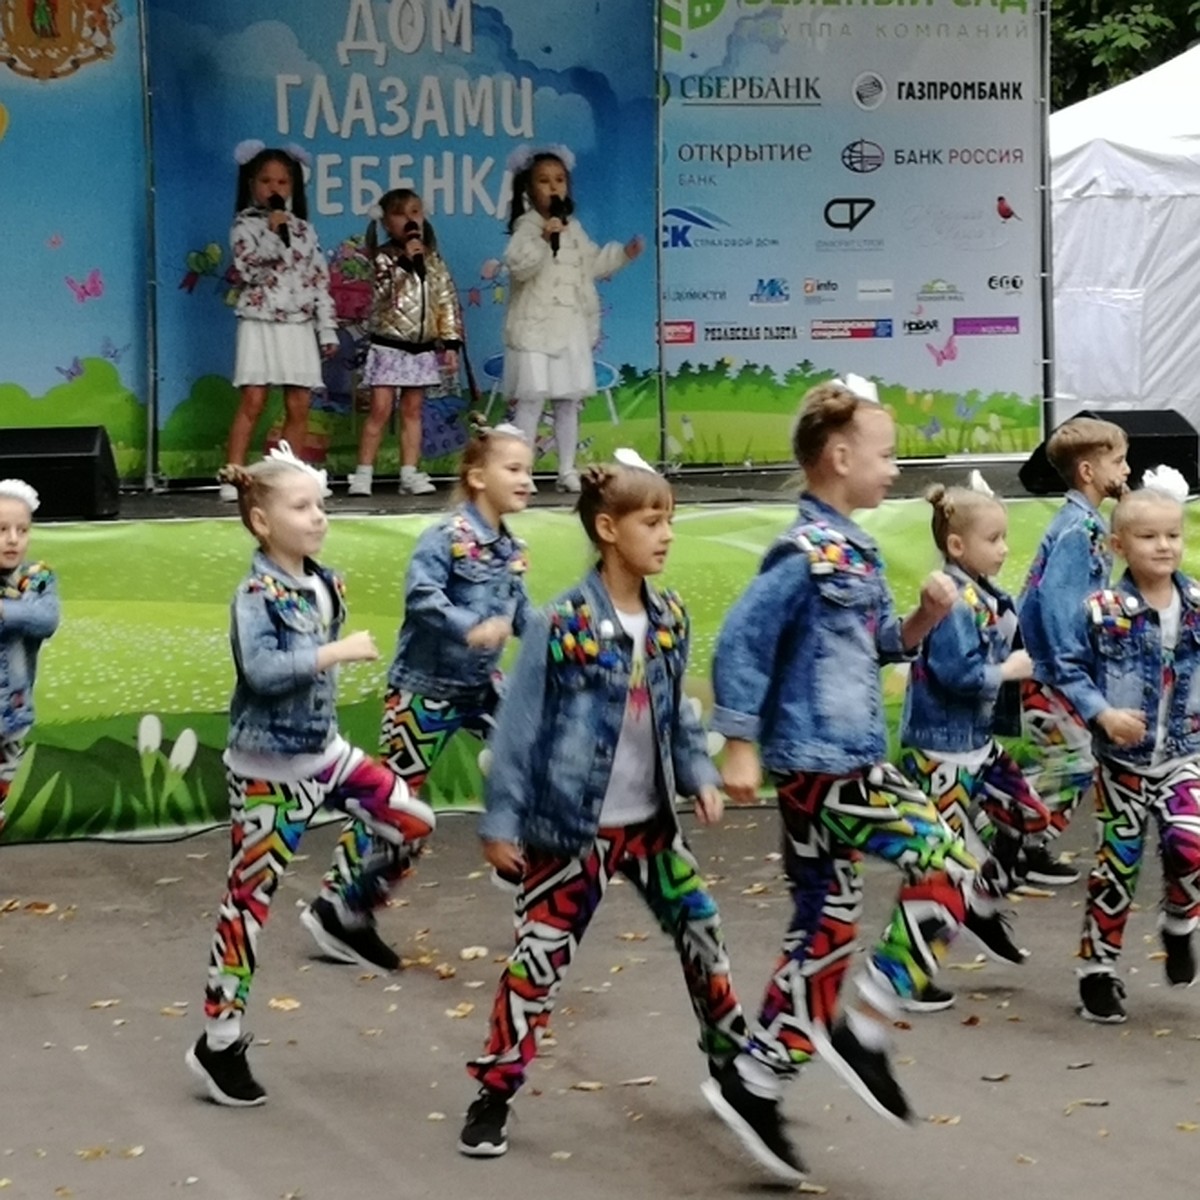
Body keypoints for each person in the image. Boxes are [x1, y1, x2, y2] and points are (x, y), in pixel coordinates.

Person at [457, 454, 806, 1184]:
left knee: (701, 926)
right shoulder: (561, 622)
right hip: (570, 830)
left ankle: (731, 1066)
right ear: (608, 529)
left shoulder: (670, 617)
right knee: (539, 961)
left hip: (649, 828)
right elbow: (518, 729)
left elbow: (677, 711)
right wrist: (501, 823)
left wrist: (701, 773)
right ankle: (493, 1091)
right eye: (653, 521)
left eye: (670, 519)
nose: (667, 533)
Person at [710, 377, 978, 1130]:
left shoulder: (851, 549)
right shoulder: (804, 551)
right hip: (828, 765)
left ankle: (756, 1082)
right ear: (838, 457)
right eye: (885, 455)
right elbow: (743, 642)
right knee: (949, 865)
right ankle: (866, 1025)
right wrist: (738, 744)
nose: (895, 469)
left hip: (834, 760)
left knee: (824, 922)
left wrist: (922, 619)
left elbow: (878, 644)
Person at [186, 445, 436, 1106]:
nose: (319, 517)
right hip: (267, 770)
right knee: (249, 905)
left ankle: (345, 909)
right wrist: (335, 651)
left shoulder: (324, 580)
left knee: (413, 821)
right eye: (302, 507)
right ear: (262, 522)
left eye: (321, 505)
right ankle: (219, 1042)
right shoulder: (255, 593)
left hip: (325, 754)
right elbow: (262, 673)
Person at [304, 422, 535, 971]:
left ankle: (519, 867)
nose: (526, 480)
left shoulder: (511, 548)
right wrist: (468, 626)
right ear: (477, 478)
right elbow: (422, 598)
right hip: (424, 693)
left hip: (481, 688)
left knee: (538, 757)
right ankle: (343, 906)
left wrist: (568, 634)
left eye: (528, 469)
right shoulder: (446, 537)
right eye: (514, 469)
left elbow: (520, 610)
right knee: (397, 809)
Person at [894, 474, 1051, 1011]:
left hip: (979, 746)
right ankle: (907, 976)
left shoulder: (988, 594)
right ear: (957, 545)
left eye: (1006, 537)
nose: (1005, 549)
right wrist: (1006, 670)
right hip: (941, 752)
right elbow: (957, 674)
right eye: (994, 539)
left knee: (1030, 817)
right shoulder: (953, 601)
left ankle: (982, 903)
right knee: (937, 867)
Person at [1056, 468, 1200, 1023]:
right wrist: (1102, 713)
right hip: (1123, 765)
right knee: (1116, 865)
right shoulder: (1102, 610)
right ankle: (1097, 970)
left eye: (1173, 535)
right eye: (1148, 537)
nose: (1163, 546)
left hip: (1185, 754)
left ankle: (1181, 922)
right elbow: (1069, 670)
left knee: (1190, 846)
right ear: (1119, 545)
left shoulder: (1195, 602)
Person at [1017, 416, 1130, 882]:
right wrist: (1071, 671)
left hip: (1057, 670)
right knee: (1073, 760)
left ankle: (1021, 841)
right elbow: (1058, 608)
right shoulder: (1077, 531)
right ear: (1087, 471)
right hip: (1053, 672)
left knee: (1067, 758)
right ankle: (1015, 843)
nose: (1126, 470)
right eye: (1119, 461)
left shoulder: (1086, 524)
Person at [502, 144, 643, 494]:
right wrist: (543, 237)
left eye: (560, 180)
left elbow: (592, 264)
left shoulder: (574, 229)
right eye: (544, 181)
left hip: (569, 328)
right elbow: (520, 267)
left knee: (567, 401)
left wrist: (622, 255)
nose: (553, 187)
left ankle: (566, 469)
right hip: (536, 327)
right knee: (532, 399)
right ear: (528, 189)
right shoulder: (527, 228)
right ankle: (523, 471)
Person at [220, 141, 338, 500]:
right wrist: (273, 233)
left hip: (298, 323)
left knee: (299, 404)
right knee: (254, 400)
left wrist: (327, 327)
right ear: (252, 184)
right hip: (260, 319)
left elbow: (319, 280)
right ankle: (233, 475)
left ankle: (287, 477)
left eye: (283, 182)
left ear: (294, 187)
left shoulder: (305, 230)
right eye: (267, 181)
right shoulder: (244, 227)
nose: (274, 189)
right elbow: (249, 270)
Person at [347, 190, 464, 497]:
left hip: (421, 349)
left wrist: (450, 342)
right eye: (400, 213)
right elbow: (381, 296)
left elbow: (446, 301)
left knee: (413, 411)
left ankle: (409, 473)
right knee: (380, 409)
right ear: (386, 222)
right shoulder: (383, 258)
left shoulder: (434, 260)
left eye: (415, 211)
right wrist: (406, 264)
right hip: (389, 346)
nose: (410, 219)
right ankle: (363, 473)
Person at [0, 479, 59, 837]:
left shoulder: (36, 579)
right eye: (2, 529)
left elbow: (46, 618)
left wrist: (4, 612)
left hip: (11, 713)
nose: (13, 539)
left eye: (22, 530)